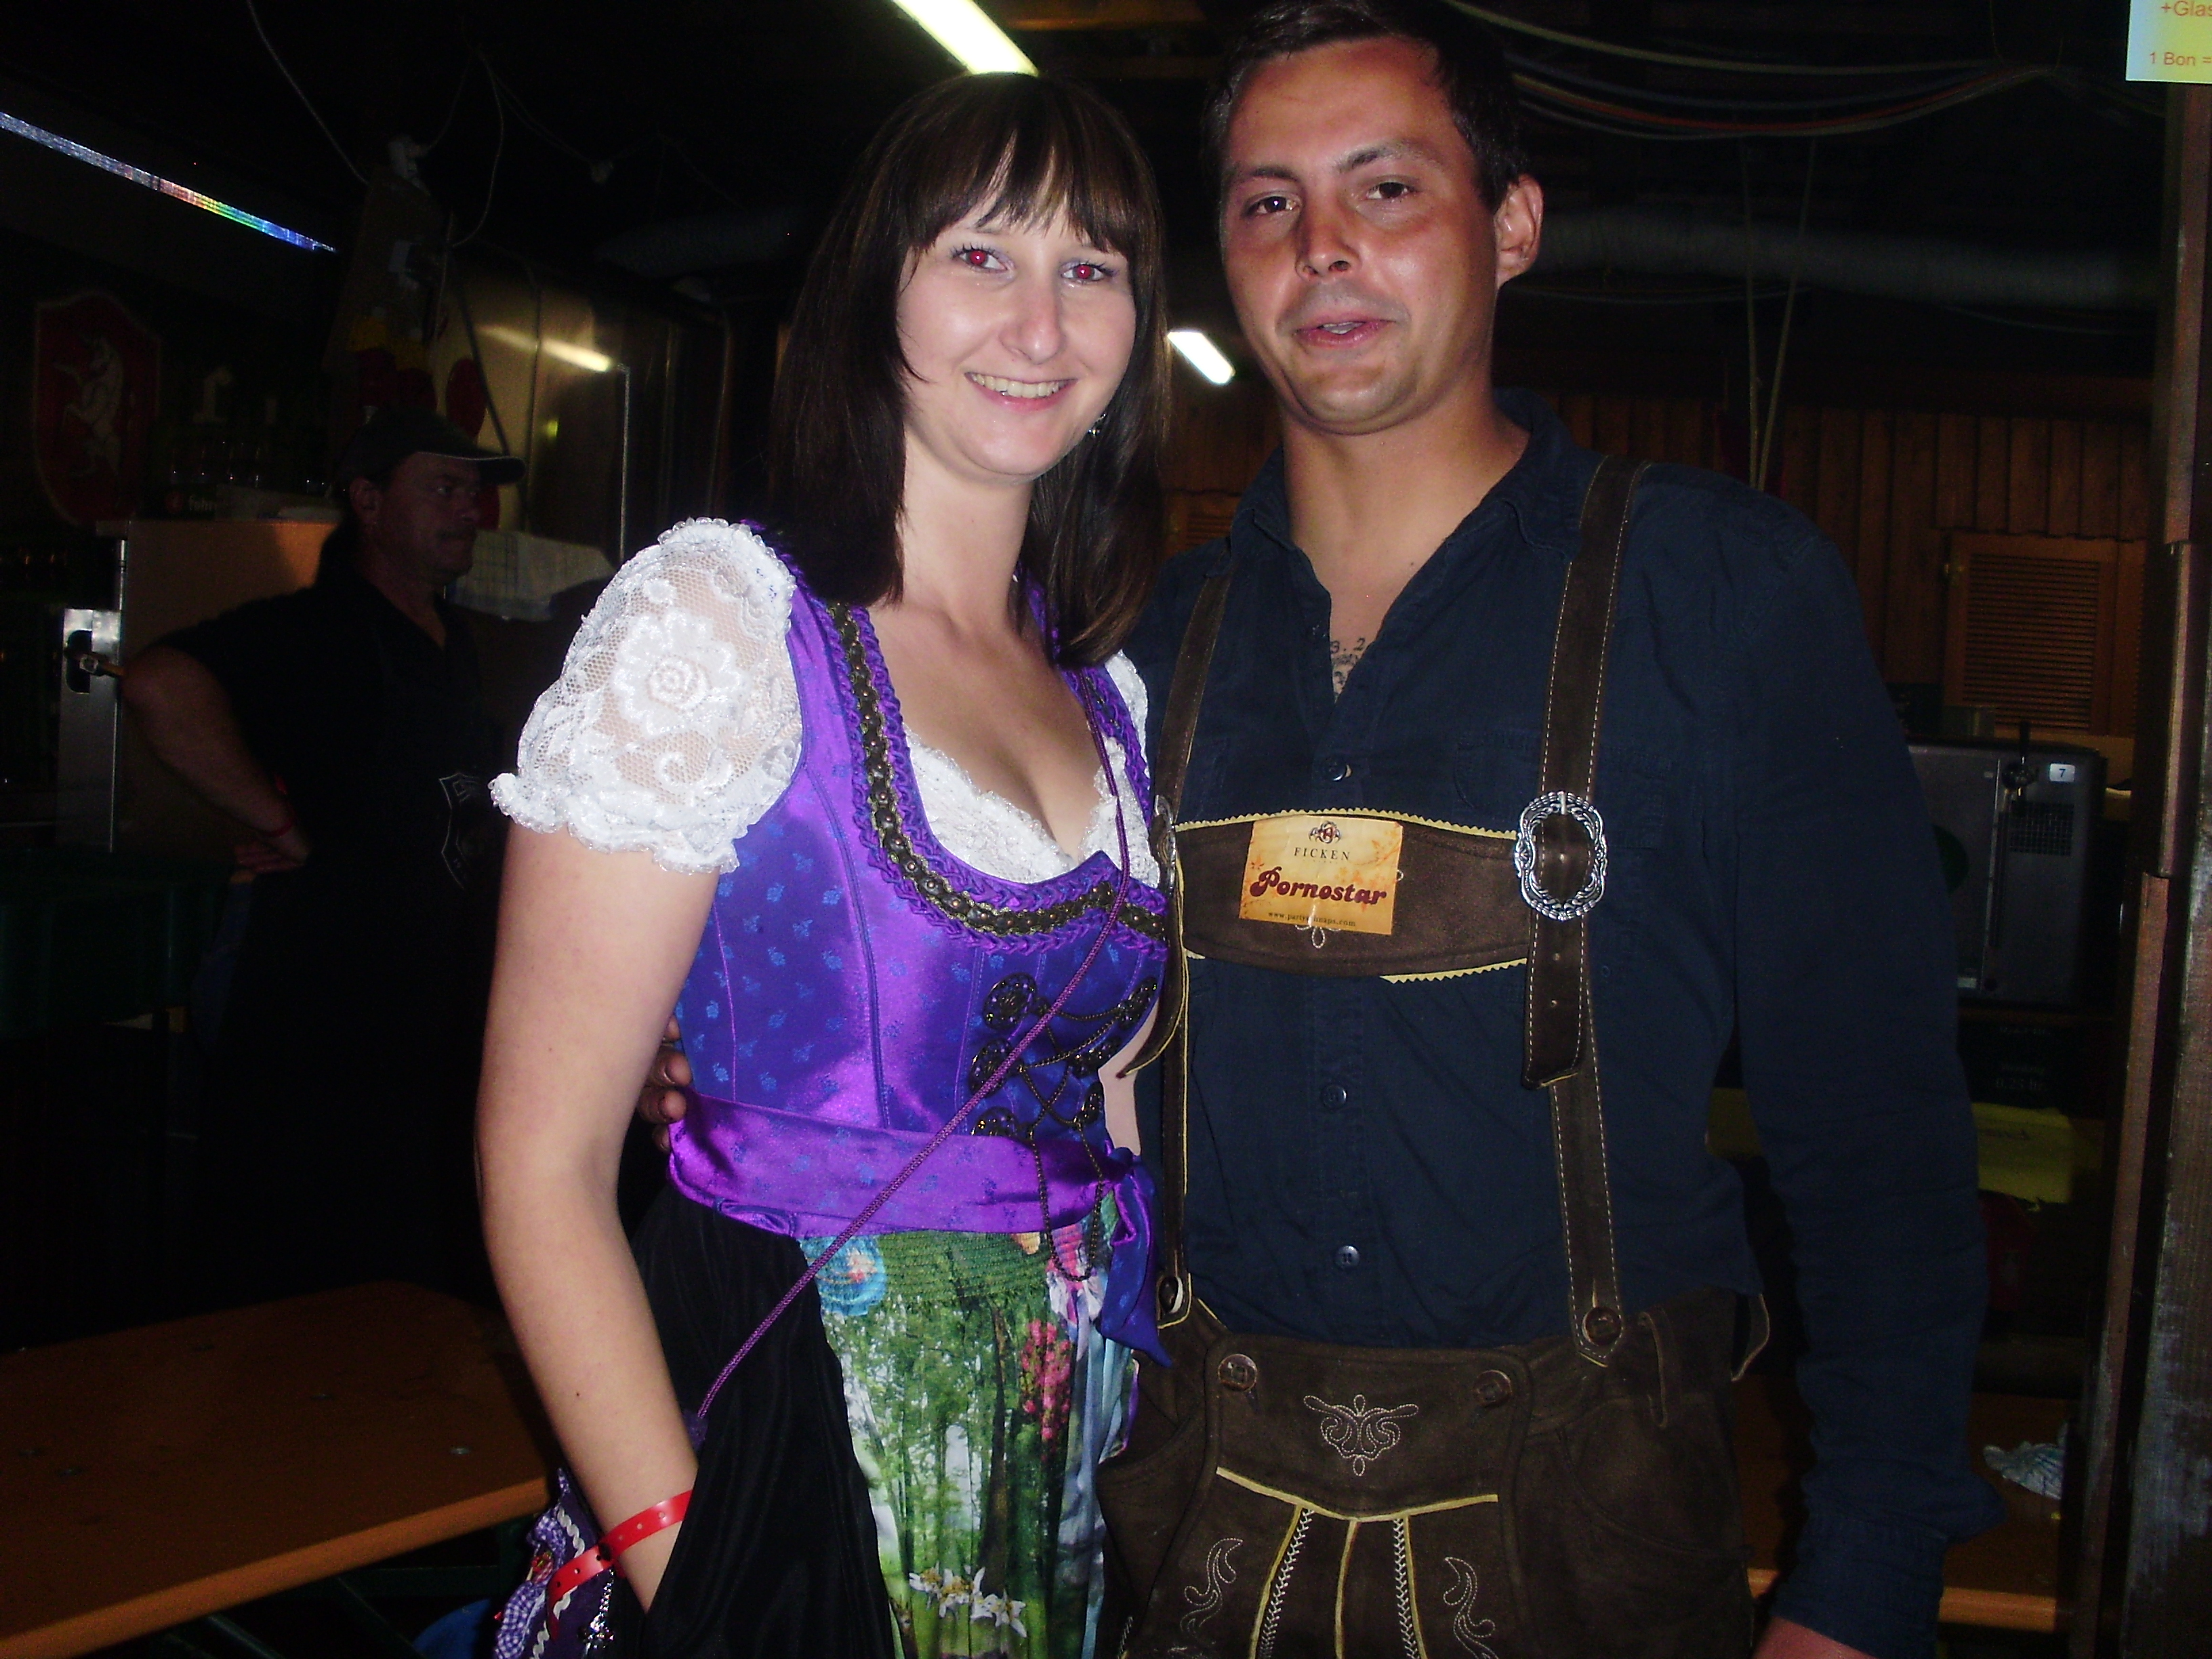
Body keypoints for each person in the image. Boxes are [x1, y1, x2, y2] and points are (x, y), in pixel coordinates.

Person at [1108, 5, 2000, 1658]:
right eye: (1268, 202)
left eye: (1385, 188)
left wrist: (1868, 1579)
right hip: (1195, 1546)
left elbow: (1877, 1134)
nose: (1321, 247)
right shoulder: (1143, 648)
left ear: (1512, 225)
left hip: (1597, 1553)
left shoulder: (1723, 598)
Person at [478, 73, 1173, 1658]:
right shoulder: (720, 627)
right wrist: (693, 1573)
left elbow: (1113, 1103)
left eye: (1092, 267)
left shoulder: (1107, 691)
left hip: (1068, 1449)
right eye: (982, 255)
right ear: (876, 292)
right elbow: (541, 1169)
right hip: (794, 1423)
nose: (1042, 323)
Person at [124, 405, 522, 1306]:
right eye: (444, 488)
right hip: (322, 1014)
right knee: (301, 1272)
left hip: (427, 1009)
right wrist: (279, 825)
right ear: (368, 502)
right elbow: (158, 686)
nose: (469, 510)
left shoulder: (451, 637)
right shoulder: (319, 628)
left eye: (474, 492)